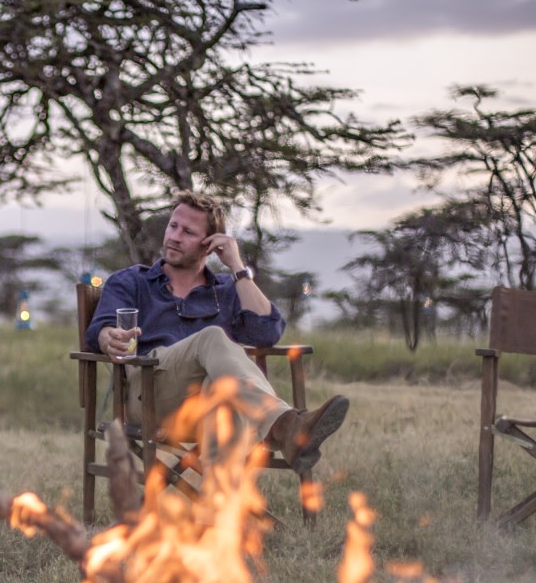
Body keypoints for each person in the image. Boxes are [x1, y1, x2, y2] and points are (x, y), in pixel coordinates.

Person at [85, 190, 349, 473]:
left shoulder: (226, 290)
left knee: (223, 394)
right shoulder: (133, 281)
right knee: (213, 338)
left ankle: (218, 510)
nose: (174, 236)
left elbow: (267, 333)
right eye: (173, 226)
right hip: (150, 394)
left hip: (208, 399)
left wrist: (238, 268)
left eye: (188, 232)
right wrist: (108, 338)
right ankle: (285, 427)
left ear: (209, 244)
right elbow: (100, 329)